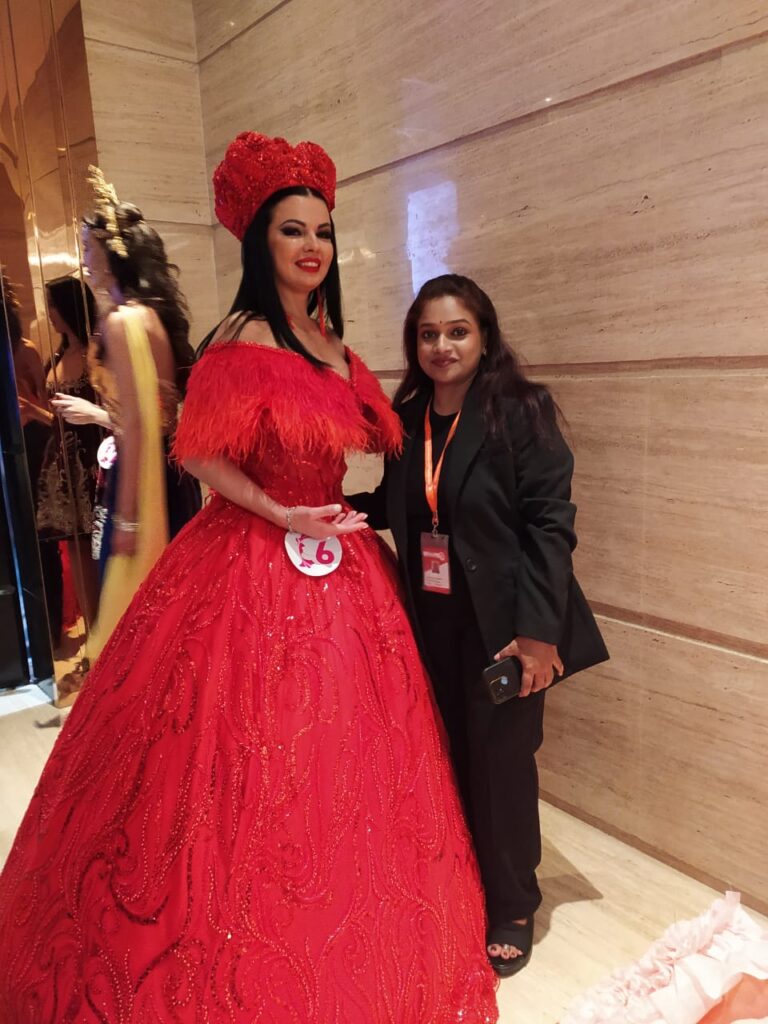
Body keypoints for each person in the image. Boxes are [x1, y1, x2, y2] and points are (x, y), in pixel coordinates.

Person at [0, 135, 498, 1023]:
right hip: (253, 555)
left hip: (340, 559)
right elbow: (200, 453)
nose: (312, 247)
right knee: (235, 755)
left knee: (352, 756)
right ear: (260, 242)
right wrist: (282, 512)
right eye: (291, 230)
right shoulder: (242, 337)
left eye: (323, 232)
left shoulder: (328, 337)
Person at [349, 274, 609, 977]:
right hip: (429, 619)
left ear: (485, 337)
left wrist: (539, 635)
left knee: (501, 764)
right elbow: (402, 501)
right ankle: (465, 883)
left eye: (457, 331)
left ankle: (513, 904)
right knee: (449, 756)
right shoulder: (408, 417)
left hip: (507, 627)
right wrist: (336, 511)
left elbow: (551, 524)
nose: (442, 346)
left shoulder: (519, 409)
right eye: (428, 334)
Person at [53, 168, 201, 660]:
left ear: (113, 253)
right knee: (173, 614)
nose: (83, 259)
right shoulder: (152, 316)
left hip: (142, 478)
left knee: (139, 617)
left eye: (87, 248)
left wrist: (130, 519)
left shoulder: (121, 321)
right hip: (171, 472)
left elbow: (136, 424)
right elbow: (154, 414)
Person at [3, 268, 64, 648]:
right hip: (8, 451)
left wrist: (27, 407)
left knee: (41, 542)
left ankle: (49, 628)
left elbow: (50, 412)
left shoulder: (25, 350)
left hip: (36, 445)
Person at [36, 275, 101, 629]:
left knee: (97, 545)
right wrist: (32, 412)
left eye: (52, 305)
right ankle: (93, 629)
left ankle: (107, 627)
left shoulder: (97, 353)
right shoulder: (58, 355)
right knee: (75, 548)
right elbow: (56, 418)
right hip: (62, 464)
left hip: (91, 458)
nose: (49, 313)